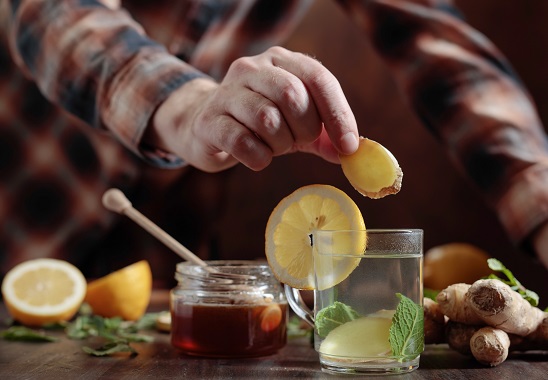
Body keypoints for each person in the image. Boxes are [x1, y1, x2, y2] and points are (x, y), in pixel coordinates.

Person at [1, 0, 547, 287]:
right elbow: (49, 10)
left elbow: (446, 55)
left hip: (168, 255)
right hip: (20, 209)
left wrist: (541, 207)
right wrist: (188, 105)